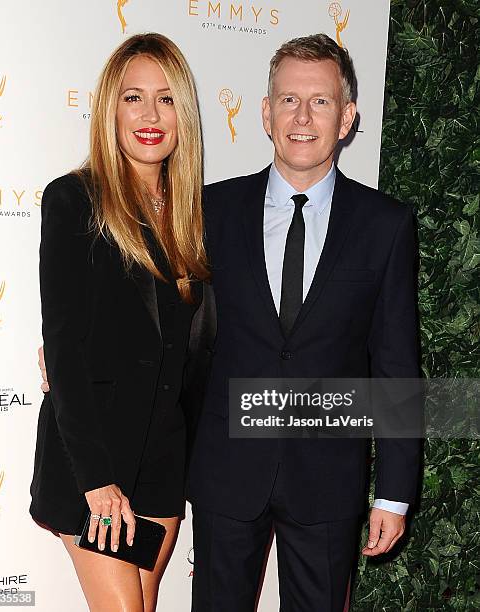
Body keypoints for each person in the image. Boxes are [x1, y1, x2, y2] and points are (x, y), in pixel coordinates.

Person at [187, 34, 421, 611]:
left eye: (320, 102)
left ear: (347, 118)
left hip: (327, 477)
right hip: (226, 470)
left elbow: (395, 365)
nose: (302, 116)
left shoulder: (385, 226)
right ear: (266, 113)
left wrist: (393, 494)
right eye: (289, 100)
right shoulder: (211, 210)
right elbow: (171, 328)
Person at [30, 33, 215, 612]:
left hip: (162, 463)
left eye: (166, 99)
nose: (151, 115)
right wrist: (96, 481)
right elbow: (62, 348)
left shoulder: (194, 219)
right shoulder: (74, 201)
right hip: (95, 463)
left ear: (183, 112)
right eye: (133, 97)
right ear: (110, 108)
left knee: (145, 601)